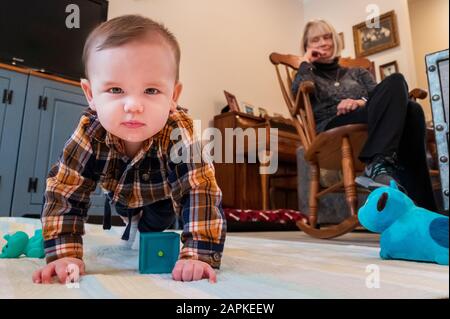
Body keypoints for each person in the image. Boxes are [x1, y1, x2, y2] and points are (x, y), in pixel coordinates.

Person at [32, 15, 226, 284]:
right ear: (90, 94)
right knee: (126, 211)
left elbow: (198, 188)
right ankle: (133, 221)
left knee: (156, 225)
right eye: (115, 89)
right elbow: (65, 189)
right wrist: (65, 254)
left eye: (151, 90)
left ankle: (145, 225)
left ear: (173, 96)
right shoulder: (90, 132)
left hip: (163, 195)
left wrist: (198, 254)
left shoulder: (180, 132)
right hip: (120, 192)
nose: (133, 105)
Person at [291, 19, 437, 212]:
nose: (323, 43)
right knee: (412, 110)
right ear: (307, 46)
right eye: (315, 40)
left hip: (367, 120)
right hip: (331, 127)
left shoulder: (358, 72)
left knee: (405, 96)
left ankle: (417, 204)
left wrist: (359, 102)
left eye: (327, 37)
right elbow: (299, 95)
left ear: (335, 40)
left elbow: (381, 96)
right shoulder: (308, 74)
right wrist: (305, 62)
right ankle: (418, 200)